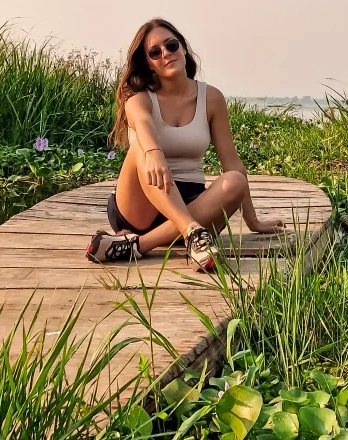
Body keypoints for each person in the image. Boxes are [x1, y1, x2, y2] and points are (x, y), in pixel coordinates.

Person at [87, 18, 285, 270]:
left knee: (235, 179)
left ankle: (141, 245)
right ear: (148, 63)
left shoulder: (211, 98)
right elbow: (145, 126)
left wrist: (253, 220)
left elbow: (232, 162)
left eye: (171, 45)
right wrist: (155, 153)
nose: (166, 54)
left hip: (193, 201)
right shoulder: (138, 99)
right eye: (155, 52)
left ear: (183, 48)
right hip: (141, 203)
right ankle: (191, 230)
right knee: (141, 149)